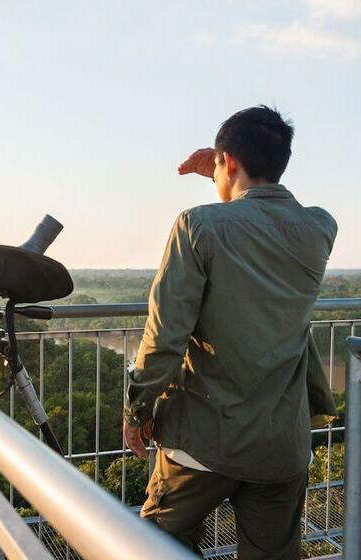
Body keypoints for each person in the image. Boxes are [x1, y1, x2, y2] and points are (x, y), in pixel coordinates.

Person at [123, 105, 338, 559]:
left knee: (156, 545)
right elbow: (263, 223)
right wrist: (228, 171)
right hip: (280, 446)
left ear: (231, 163)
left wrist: (137, 406)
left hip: (203, 440)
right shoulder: (320, 228)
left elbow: (165, 336)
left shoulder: (196, 225)